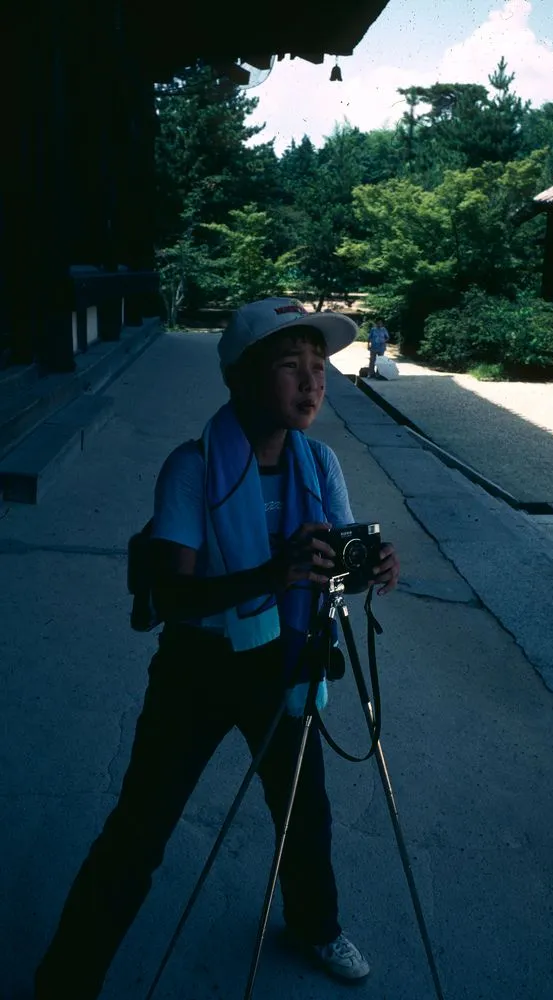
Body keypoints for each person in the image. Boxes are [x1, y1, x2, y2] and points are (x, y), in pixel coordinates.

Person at [34, 297, 400, 999]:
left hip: (286, 658)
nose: (311, 382)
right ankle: (65, 980)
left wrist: (370, 568)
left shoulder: (319, 465)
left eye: (319, 366)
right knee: (139, 831)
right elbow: (175, 598)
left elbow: (330, 565)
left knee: (304, 812)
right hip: (197, 668)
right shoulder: (192, 468)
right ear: (239, 378)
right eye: (289, 366)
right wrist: (270, 574)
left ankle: (314, 925)